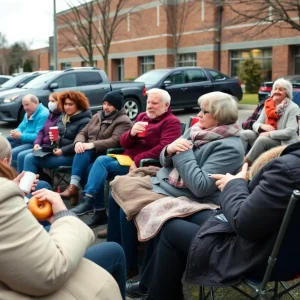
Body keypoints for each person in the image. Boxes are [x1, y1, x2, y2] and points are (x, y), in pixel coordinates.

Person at [137, 141, 300, 300]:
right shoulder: (289, 165)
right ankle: (148, 284)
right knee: (186, 214)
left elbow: (243, 224)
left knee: (170, 228)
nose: (199, 116)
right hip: (276, 240)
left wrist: (234, 184)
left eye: (204, 112)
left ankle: (157, 294)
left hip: (261, 256)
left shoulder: (288, 168)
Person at [108, 91, 244, 282]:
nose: (199, 115)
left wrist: (180, 153)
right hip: (167, 183)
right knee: (117, 189)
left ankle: (130, 266)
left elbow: (201, 186)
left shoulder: (229, 147)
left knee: (130, 205)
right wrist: (170, 150)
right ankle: (120, 254)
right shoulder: (198, 130)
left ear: (220, 116)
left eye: (204, 111)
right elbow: (165, 159)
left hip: (191, 197)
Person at [0, 134, 127, 300]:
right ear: (5, 163)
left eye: (69, 104)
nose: (105, 106)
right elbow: (49, 273)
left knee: (90, 162)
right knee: (114, 251)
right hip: (35, 282)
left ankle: (82, 194)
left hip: (79, 154)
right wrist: (64, 216)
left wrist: (17, 193)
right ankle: (83, 196)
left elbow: (113, 139)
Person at [71, 88, 182, 229]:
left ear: (166, 106)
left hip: (146, 164)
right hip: (127, 159)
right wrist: (132, 133)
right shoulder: (142, 116)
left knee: (100, 165)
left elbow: (164, 148)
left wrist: (138, 159)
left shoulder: (171, 122)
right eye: (148, 102)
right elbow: (124, 143)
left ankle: (93, 205)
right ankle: (96, 208)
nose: (150, 106)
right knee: (92, 166)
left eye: (155, 103)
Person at [60, 90, 132, 205]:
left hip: (107, 154)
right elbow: (83, 132)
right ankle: (73, 187)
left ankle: (95, 206)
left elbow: (115, 141)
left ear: (117, 107)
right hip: (91, 153)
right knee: (81, 150)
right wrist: (79, 142)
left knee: (88, 168)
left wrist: (92, 144)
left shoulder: (123, 121)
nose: (106, 107)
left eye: (109, 105)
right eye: (104, 103)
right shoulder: (97, 116)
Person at [23, 91, 92, 192]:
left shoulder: (85, 120)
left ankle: (28, 192)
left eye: (70, 104)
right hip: (57, 150)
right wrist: (55, 140)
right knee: (30, 155)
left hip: (72, 156)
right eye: (65, 104)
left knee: (29, 158)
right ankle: (38, 187)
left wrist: (62, 150)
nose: (67, 107)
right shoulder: (63, 116)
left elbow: (79, 143)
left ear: (79, 105)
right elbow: (56, 136)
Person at [241, 78, 300, 165]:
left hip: (284, 141)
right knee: (244, 134)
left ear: (287, 93)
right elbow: (256, 123)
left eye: (281, 89)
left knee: (262, 140)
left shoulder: (293, 108)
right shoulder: (268, 104)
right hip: (265, 135)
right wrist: (262, 126)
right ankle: (239, 159)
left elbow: (290, 132)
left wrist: (269, 134)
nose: (277, 91)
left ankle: (244, 164)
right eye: (275, 89)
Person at [16, 92, 62, 173]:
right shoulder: (51, 114)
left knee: (23, 156)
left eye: (53, 101)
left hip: (51, 148)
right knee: (9, 141)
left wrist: (22, 136)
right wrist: (37, 143)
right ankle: (17, 179)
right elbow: (41, 132)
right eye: (49, 101)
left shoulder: (57, 116)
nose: (50, 103)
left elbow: (54, 138)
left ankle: (27, 182)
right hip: (42, 145)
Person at [7, 94, 49, 169]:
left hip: (35, 143)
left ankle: (14, 175)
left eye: (27, 105)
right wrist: (15, 132)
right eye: (23, 105)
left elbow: (38, 136)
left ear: (36, 102)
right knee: (5, 142)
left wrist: (21, 136)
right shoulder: (29, 112)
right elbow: (21, 127)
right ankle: (4, 170)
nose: (25, 108)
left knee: (13, 153)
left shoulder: (44, 114)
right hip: (26, 139)